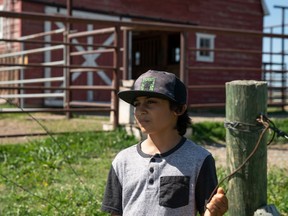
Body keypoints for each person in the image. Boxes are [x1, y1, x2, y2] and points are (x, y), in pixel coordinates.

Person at [101, 70, 228, 216]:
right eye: (137, 104)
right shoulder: (122, 161)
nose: (140, 110)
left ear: (178, 109)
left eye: (150, 102)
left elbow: (208, 211)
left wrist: (215, 212)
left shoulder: (200, 160)